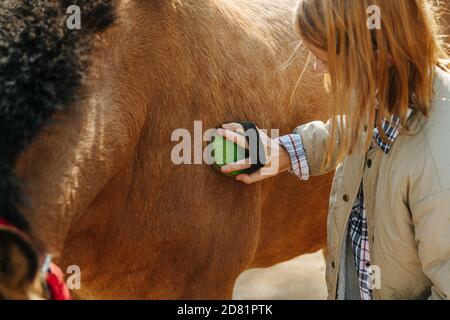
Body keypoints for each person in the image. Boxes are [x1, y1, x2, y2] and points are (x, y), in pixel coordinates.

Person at [217, 0, 450, 300]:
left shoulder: (437, 163)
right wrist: (283, 152)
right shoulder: (385, 93)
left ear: (373, 55)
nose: (316, 68)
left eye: (325, 59)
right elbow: (356, 130)